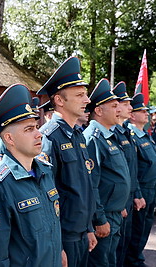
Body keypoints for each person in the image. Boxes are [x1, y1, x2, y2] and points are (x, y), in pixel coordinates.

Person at [0, 84, 64, 267]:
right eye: (29, 129)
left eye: (36, 127)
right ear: (9, 139)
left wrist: (59, 251)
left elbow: (50, 225)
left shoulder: (45, 171)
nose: (39, 134)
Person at [36, 56, 96, 267]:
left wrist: (88, 227)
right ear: (59, 101)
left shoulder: (77, 135)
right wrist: (57, 244)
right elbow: (45, 197)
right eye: (80, 95)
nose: (87, 100)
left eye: (85, 94)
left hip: (80, 233)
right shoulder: (49, 137)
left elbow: (84, 186)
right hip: (64, 237)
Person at [83, 78, 130, 267]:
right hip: (105, 217)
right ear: (99, 111)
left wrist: (121, 205)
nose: (119, 110)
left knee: (110, 260)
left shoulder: (109, 137)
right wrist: (100, 218)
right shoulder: (94, 138)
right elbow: (92, 184)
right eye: (114, 106)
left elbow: (116, 177)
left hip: (115, 213)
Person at [125, 93, 156, 266]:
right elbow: (133, 169)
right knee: (137, 229)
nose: (147, 114)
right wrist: (137, 193)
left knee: (145, 228)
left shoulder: (143, 134)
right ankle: (133, 260)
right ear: (132, 115)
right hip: (142, 189)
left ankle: (137, 257)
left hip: (151, 188)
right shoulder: (132, 136)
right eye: (142, 111)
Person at [111, 82, 144, 267]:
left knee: (125, 242)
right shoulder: (112, 133)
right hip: (117, 203)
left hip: (129, 197)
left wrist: (137, 193)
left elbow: (131, 169)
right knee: (115, 248)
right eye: (125, 104)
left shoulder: (125, 133)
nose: (130, 108)